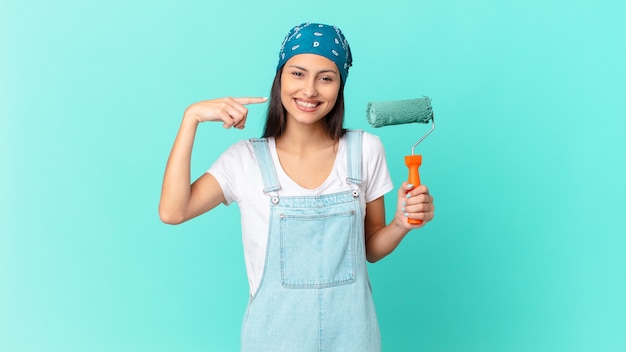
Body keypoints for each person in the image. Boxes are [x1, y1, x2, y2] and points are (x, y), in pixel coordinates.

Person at [159, 22, 435, 352]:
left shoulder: (365, 150)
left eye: (326, 78)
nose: (310, 90)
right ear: (280, 79)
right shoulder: (245, 160)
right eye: (298, 74)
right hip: (272, 340)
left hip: (353, 339)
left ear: (340, 87)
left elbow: (371, 248)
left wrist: (401, 224)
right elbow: (173, 211)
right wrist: (191, 118)